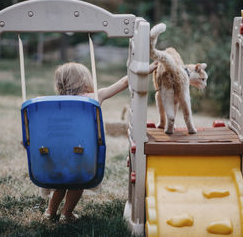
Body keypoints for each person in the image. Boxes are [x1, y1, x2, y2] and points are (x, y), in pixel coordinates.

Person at [44, 61, 158, 223]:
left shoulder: (54, 103)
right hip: (81, 152)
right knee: (78, 183)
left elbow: (47, 128)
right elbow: (124, 82)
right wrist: (144, 70)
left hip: (60, 153)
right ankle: (67, 213)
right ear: (84, 80)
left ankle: (50, 212)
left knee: (61, 183)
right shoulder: (94, 97)